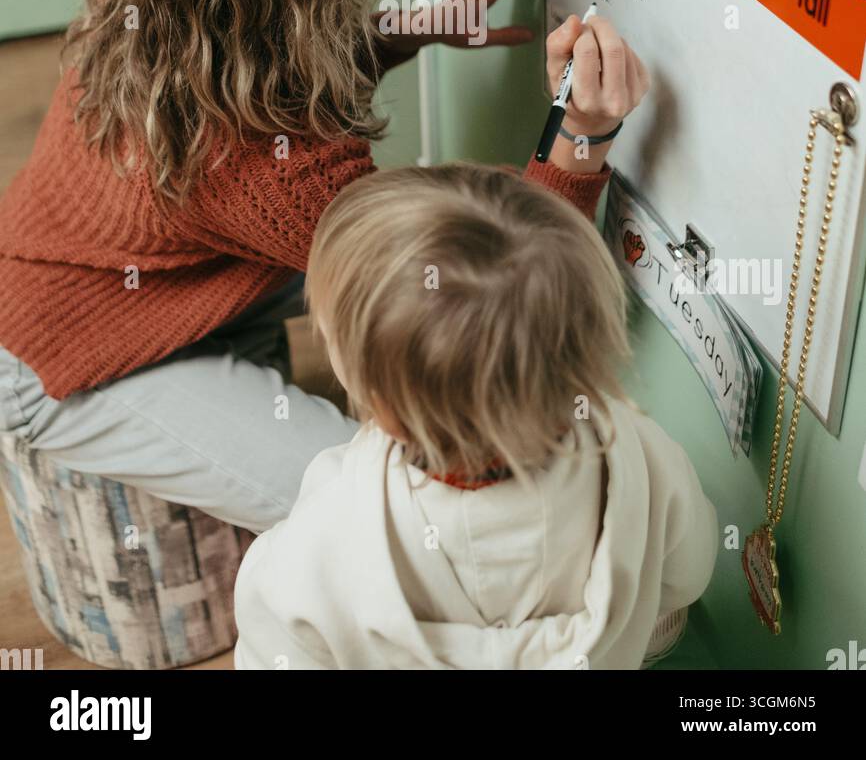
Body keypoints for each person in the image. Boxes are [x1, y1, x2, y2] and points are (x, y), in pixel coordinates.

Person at [0, 0, 624, 536]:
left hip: (133, 268)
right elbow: (484, 288)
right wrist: (581, 134)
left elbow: (270, 73)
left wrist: (412, 30)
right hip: (78, 358)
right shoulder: (263, 166)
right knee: (393, 516)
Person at [233, 136, 718, 671]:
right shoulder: (638, 456)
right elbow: (687, 574)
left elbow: (272, 651)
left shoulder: (331, 527)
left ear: (383, 406)